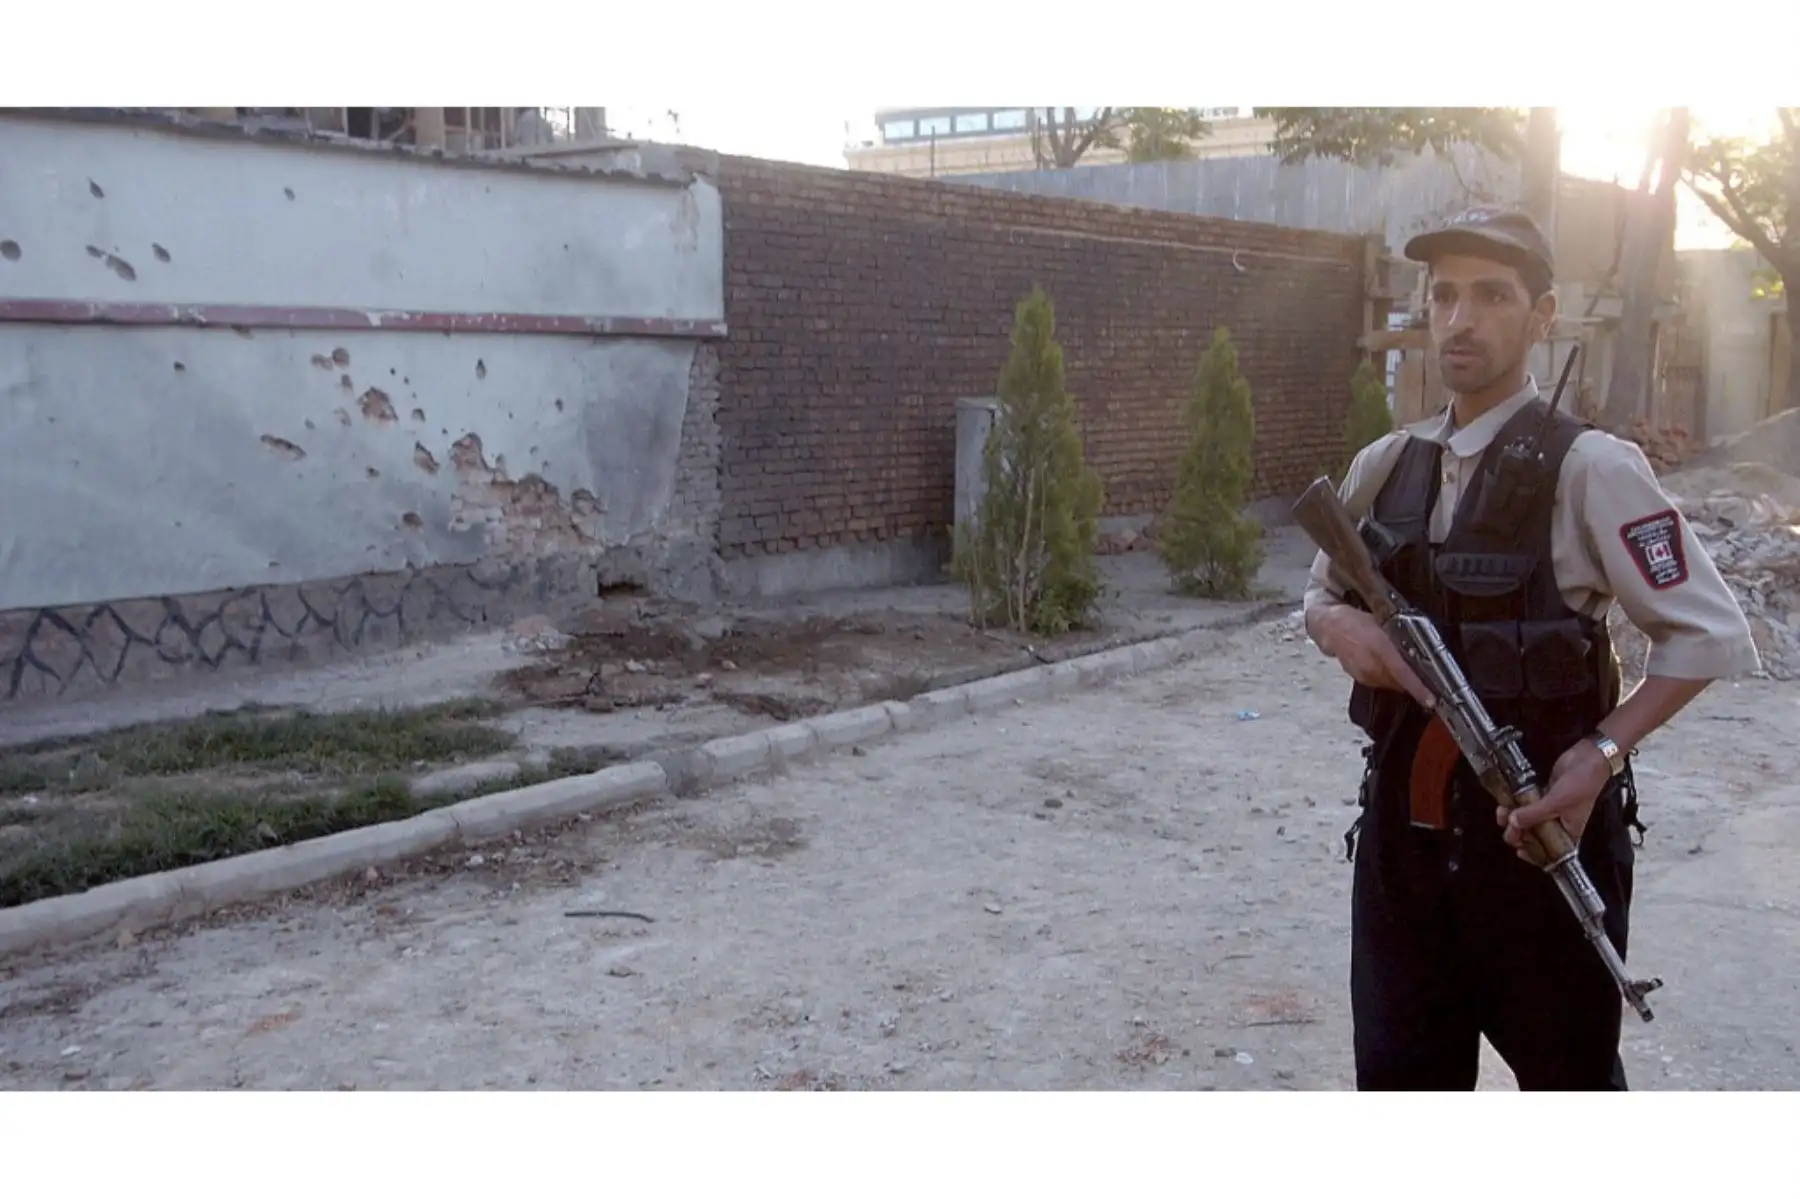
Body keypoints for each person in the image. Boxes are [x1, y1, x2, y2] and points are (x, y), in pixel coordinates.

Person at [1302, 205, 1761, 1091]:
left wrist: (1600, 754)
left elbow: (1708, 634)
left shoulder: (1592, 468)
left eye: (1492, 296)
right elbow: (1319, 592)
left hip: (1540, 845)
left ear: (1542, 316)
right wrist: (1337, 626)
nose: (1460, 319)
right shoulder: (1388, 463)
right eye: (1444, 296)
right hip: (1403, 855)